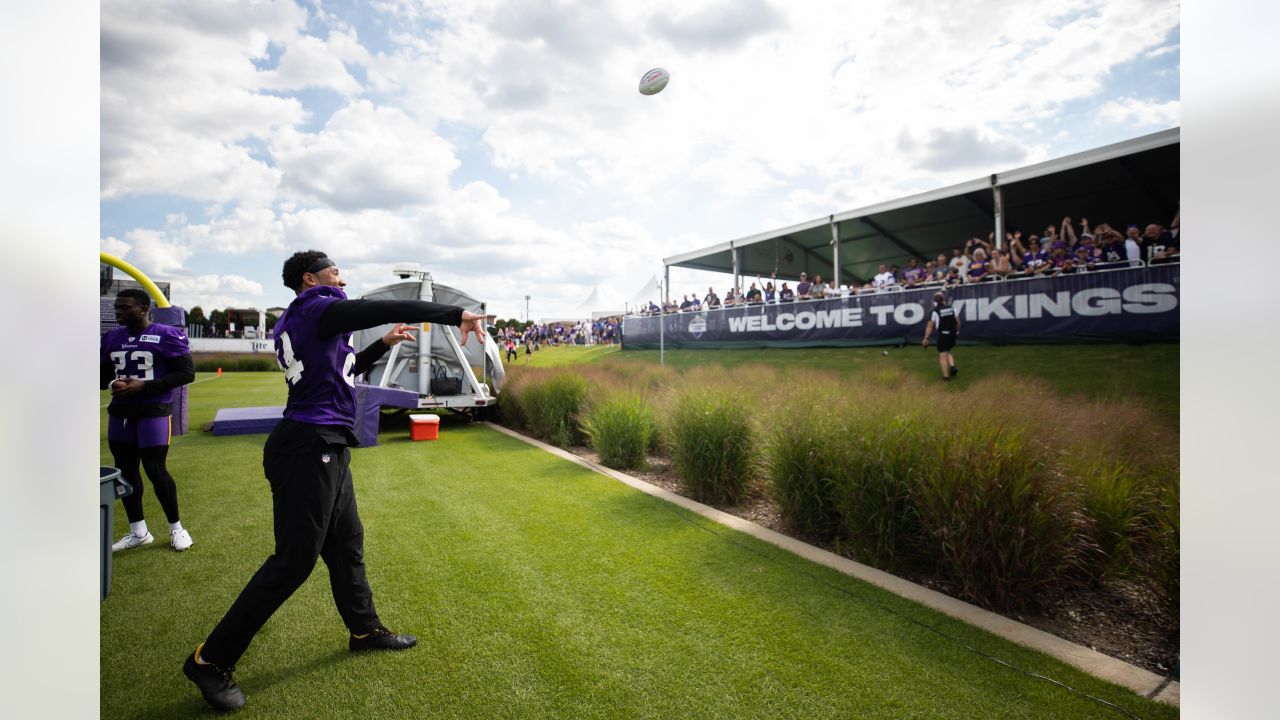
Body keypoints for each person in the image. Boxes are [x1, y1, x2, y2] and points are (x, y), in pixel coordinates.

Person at [183, 250, 494, 712]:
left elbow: (342, 371)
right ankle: (210, 660)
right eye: (333, 271)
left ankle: (364, 629)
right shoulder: (317, 307)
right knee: (294, 561)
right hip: (308, 446)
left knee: (347, 543)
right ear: (310, 280)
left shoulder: (309, 320)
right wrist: (457, 314)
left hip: (324, 443)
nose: (341, 278)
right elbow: (384, 306)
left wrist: (385, 345)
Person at [101, 288, 196, 552]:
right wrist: (113, 383)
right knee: (126, 471)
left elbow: (187, 373)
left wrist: (145, 386)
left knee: (155, 469)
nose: (118, 311)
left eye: (124, 307)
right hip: (120, 412)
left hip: (153, 410)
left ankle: (176, 527)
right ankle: (138, 530)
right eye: (117, 307)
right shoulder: (111, 338)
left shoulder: (165, 335)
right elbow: (100, 378)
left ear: (143, 309)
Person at [922, 291, 960, 381]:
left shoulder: (934, 311)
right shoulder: (952, 308)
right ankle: (952, 366)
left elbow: (930, 326)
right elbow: (957, 322)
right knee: (947, 350)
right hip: (953, 333)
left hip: (943, 334)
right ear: (944, 299)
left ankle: (946, 377)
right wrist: (957, 331)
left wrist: (926, 338)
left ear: (935, 301)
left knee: (942, 354)